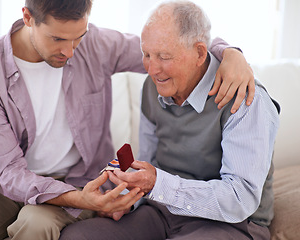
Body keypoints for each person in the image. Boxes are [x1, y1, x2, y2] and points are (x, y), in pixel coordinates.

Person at [0, 0, 255, 239]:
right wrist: (81, 200)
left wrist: (231, 54)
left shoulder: (96, 45)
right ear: (27, 18)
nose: (71, 51)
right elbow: (8, 173)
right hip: (0, 181)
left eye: (78, 37)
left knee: (35, 225)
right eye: (57, 39)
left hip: (78, 178)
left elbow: (171, 49)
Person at [59, 1, 280, 240]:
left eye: (163, 56)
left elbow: (240, 199)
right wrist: (127, 200)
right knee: (76, 236)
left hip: (232, 224)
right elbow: (150, 162)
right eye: (146, 54)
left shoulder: (244, 98)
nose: (152, 69)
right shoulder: (153, 88)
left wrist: (157, 184)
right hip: (162, 212)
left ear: (199, 53)